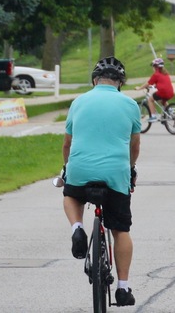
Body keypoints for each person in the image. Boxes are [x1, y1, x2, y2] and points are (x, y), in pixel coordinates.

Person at [62, 56, 141, 307]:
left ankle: (77, 228)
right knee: (121, 230)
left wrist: (67, 168)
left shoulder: (78, 102)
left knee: (71, 195)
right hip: (115, 173)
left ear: (95, 80)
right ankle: (123, 288)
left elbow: (67, 143)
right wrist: (129, 169)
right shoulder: (130, 105)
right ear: (120, 83)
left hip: (80, 169)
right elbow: (135, 145)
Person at [135, 57, 175, 123]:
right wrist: (154, 86)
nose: (152, 68)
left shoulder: (156, 75)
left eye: (153, 66)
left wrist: (139, 88)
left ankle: (153, 116)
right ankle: (169, 110)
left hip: (163, 92)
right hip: (170, 92)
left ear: (156, 67)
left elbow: (147, 83)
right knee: (162, 101)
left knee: (150, 99)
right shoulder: (165, 73)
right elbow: (163, 83)